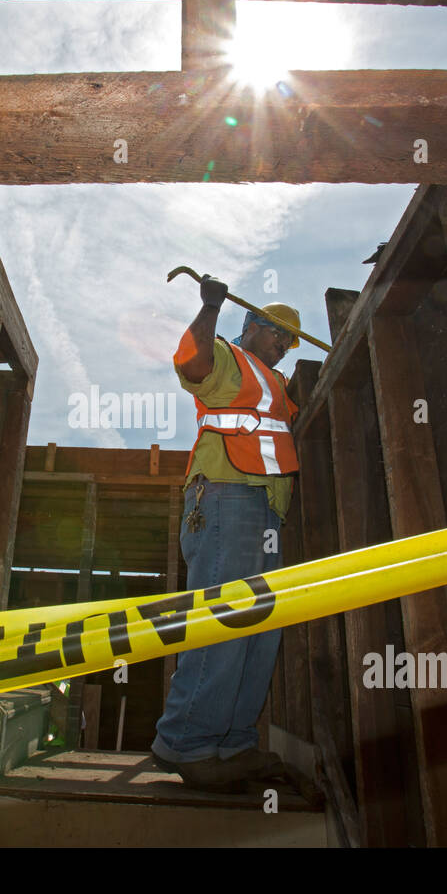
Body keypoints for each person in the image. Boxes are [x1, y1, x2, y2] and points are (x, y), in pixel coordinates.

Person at [150, 273, 303, 793]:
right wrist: (210, 305)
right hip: (224, 494)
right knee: (223, 617)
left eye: (289, 340)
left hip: (265, 509)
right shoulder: (228, 357)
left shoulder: (278, 383)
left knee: (260, 627)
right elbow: (189, 363)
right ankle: (188, 743)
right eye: (277, 332)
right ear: (251, 326)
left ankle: (233, 743)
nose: (283, 344)